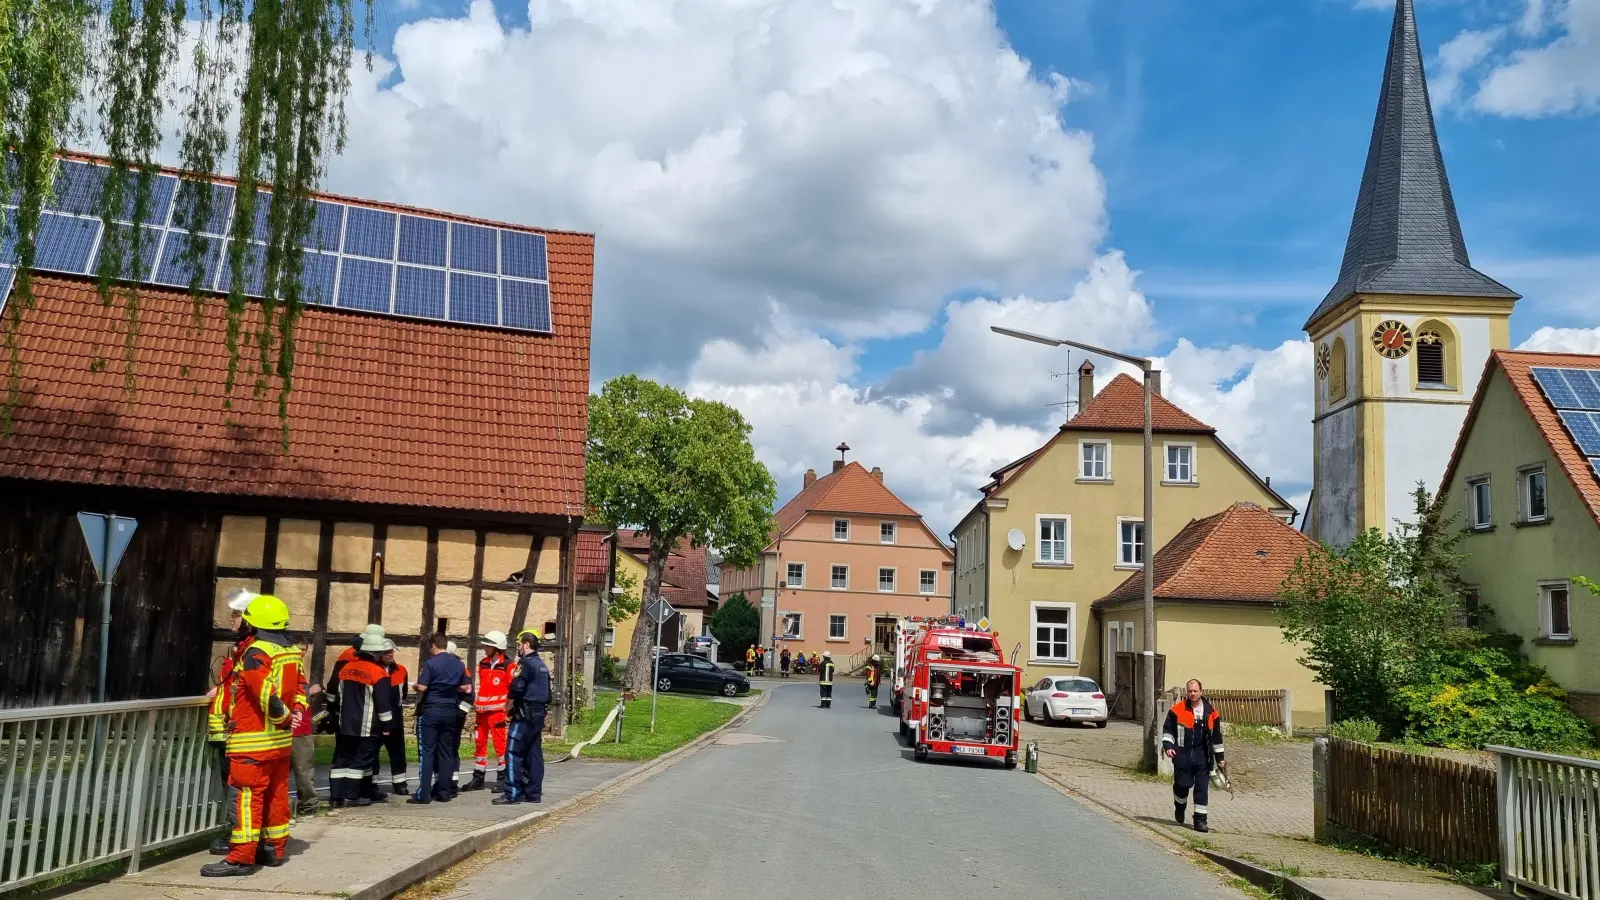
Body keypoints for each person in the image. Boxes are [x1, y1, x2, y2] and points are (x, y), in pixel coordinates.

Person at [201, 595, 303, 877]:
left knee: (245, 798)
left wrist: (282, 718)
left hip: (252, 741)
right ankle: (273, 849)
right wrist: (294, 714)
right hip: (280, 745)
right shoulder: (292, 650)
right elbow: (301, 690)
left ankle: (241, 858)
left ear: (253, 621)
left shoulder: (256, 652)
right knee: (276, 795)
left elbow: (264, 696)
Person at [206, 590, 256, 856]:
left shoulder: (251, 649)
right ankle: (238, 831)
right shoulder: (242, 648)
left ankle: (238, 835)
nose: (231, 619)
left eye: (236, 614)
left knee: (239, 788)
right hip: (227, 732)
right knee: (231, 785)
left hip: (237, 732)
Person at [329, 633, 394, 808]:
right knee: (360, 761)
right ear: (377, 653)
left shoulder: (346, 668)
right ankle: (351, 797)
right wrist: (387, 725)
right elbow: (383, 703)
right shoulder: (378, 673)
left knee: (341, 760)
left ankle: (335, 798)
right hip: (367, 726)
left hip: (345, 724)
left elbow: (335, 695)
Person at [410, 634, 470, 804]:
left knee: (427, 753)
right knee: (446, 753)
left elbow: (422, 686)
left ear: (434, 646)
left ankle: (424, 794)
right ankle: (444, 793)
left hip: (431, 711)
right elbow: (465, 687)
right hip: (450, 712)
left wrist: (414, 685)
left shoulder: (430, 663)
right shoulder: (459, 664)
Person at [1163, 679, 1226, 833]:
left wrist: (1220, 758)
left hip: (1203, 756)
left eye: (1195, 691)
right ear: (1187, 692)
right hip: (1182, 755)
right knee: (1183, 785)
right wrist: (1168, 747)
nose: (1192, 694)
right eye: (1190, 691)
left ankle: (1200, 821)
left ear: (1201, 692)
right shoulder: (1176, 710)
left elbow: (1217, 737)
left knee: (1201, 789)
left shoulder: (1211, 712)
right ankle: (1180, 806)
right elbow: (1168, 731)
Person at [494, 630, 550, 805]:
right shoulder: (542, 665)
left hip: (524, 713)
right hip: (538, 713)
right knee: (534, 752)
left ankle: (512, 793)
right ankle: (534, 793)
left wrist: (508, 705)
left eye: (519, 644)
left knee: (512, 751)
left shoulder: (525, 664)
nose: (518, 647)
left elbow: (517, 687)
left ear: (526, 644)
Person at [468, 631, 513, 792]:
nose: (485, 648)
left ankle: (503, 779)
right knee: (479, 743)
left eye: (489, 645)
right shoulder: (483, 663)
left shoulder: (508, 666)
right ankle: (478, 778)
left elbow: (512, 690)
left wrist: (507, 710)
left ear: (497, 647)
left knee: (500, 745)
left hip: (497, 712)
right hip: (481, 711)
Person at [289, 635, 323, 817]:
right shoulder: (290, 667)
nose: (301, 653)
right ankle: (309, 803)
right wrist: (311, 691)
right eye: (299, 649)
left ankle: (306, 803)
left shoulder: (297, 666)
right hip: (296, 726)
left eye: (304, 650)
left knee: (303, 766)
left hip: (299, 725)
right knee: (303, 766)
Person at [379, 640, 409, 796]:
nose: (390, 655)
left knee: (397, 753)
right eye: (386, 652)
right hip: (376, 719)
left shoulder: (401, 670)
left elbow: (403, 694)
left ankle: (400, 783)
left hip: (395, 719)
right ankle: (371, 784)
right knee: (372, 754)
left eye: (391, 652)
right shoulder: (374, 669)